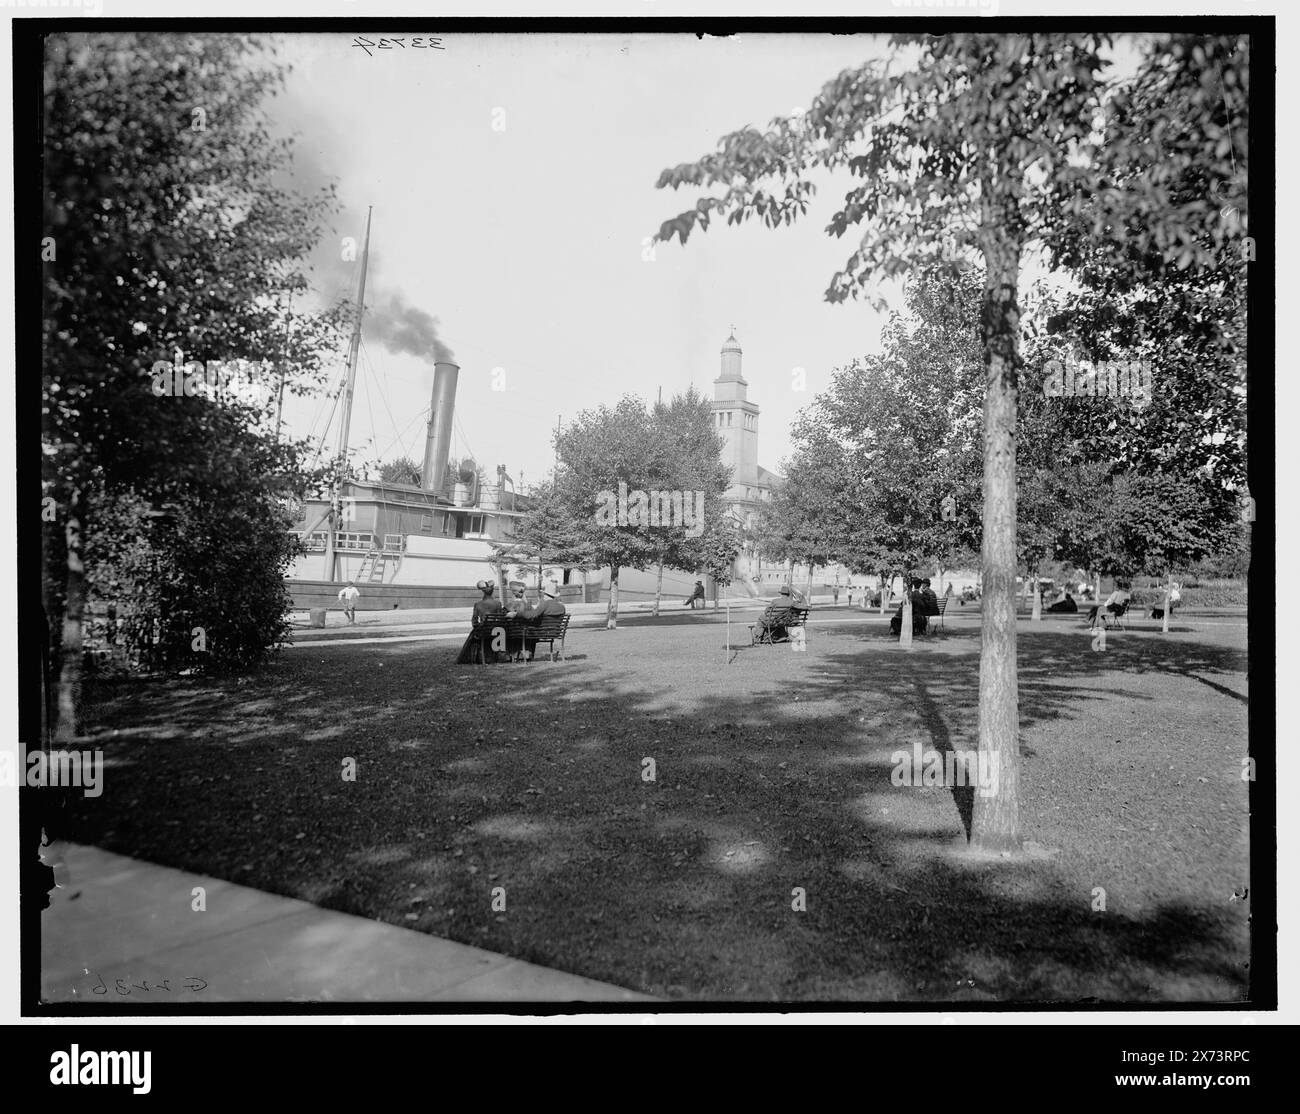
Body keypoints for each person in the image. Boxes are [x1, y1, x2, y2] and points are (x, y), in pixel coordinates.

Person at [510, 581, 566, 660]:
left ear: (545, 594)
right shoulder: (562, 607)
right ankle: (529, 655)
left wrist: (517, 614)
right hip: (556, 632)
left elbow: (532, 615)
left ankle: (526, 655)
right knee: (531, 628)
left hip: (543, 632)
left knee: (526, 628)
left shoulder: (545, 604)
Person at [456, 580, 505, 663]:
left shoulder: (478, 604)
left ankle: (476, 657)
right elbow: (500, 620)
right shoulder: (498, 604)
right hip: (496, 631)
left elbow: (474, 621)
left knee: (474, 634)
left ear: (483, 591)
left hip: (483, 632)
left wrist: (478, 626)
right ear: (492, 591)